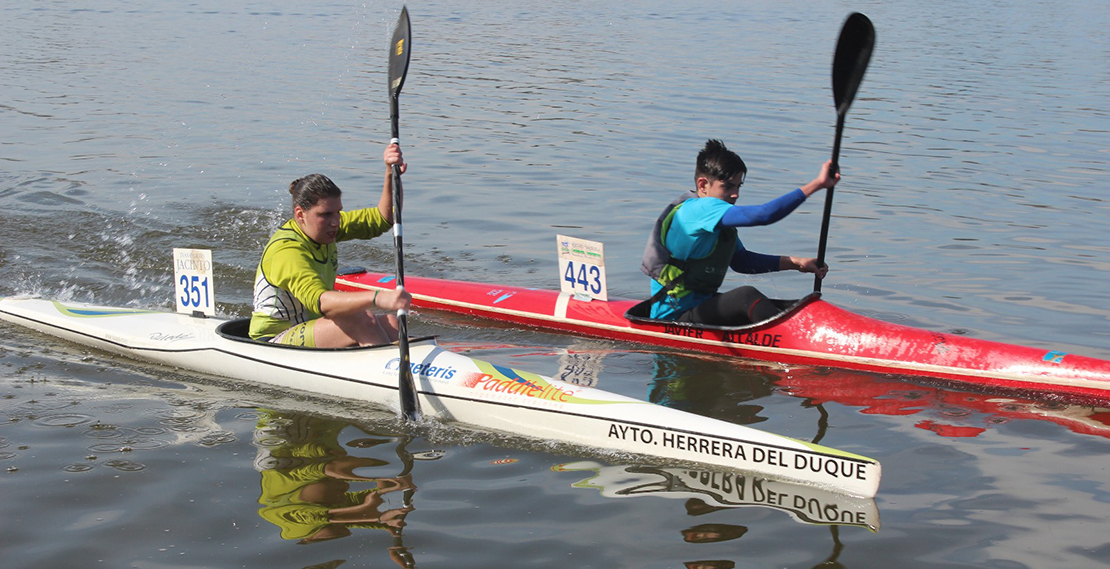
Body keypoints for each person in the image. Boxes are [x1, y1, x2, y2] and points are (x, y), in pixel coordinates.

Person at [641, 139, 838, 326]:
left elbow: (742, 261)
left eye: (738, 186)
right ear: (702, 185)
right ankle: (798, 342)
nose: (736, 194)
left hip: (699, 309)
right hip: (673, 316)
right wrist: (817, 184)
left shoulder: (715, 219)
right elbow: (763, 215)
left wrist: (796, 263)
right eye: (727, 186)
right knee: (746, 297)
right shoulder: (698, 210)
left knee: (797, 306)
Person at [249, 144, 412, 346]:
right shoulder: (286, 251)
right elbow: (322, 302)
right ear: (300, 214)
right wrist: (378, 297)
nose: (336, 221)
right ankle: (386, 371)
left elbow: (382, 219)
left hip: (311, 326)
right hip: (272, 340)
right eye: (326, 214)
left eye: (338, 212)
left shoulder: (324, 229)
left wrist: (390, 173)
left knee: (392, 323)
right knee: (361, 319)